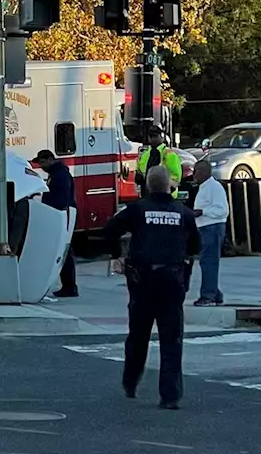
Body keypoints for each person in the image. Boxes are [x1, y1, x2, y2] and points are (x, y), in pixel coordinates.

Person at [102, 165, 201, 410]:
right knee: (171, 339)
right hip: (172, 279)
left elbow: (109, 231)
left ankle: (130, 382)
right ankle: (170, 396)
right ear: (170, 186)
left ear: (147, 186)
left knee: (138, 335)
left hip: (142, 280)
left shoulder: (137, 210)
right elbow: (197, 245)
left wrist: (117, 255)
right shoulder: (183, 212)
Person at [33, 149, 77, 298]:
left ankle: (70, 286)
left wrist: (56, 212)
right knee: (63, 251)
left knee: (65, 251)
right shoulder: (56, 174)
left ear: (50, 159)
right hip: (60, 214)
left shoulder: (60, 175)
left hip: (61, 215)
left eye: (43, 162)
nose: (41, 166)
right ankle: (68, 285)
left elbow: (62, 198)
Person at [191, 159, 229, 307]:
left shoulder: (214, 187)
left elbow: (223, 210)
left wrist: (202, 211)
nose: (194, 174)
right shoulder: (204, 187)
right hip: (205, 227)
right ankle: (215, 293)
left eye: (197, 171)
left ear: (205, 172)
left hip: (212, 228)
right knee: (206, 261)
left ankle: (208, 295)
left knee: (209, 262)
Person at [136, 124, 182, 196]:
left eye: (155, 136)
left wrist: (168, 191)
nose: (153, 138)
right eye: (151, 136)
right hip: (148, 195)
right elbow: (139, 173)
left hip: (166, 197)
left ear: (161, 137)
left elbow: (175, 177)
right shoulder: (145, 154)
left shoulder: (169, 154)